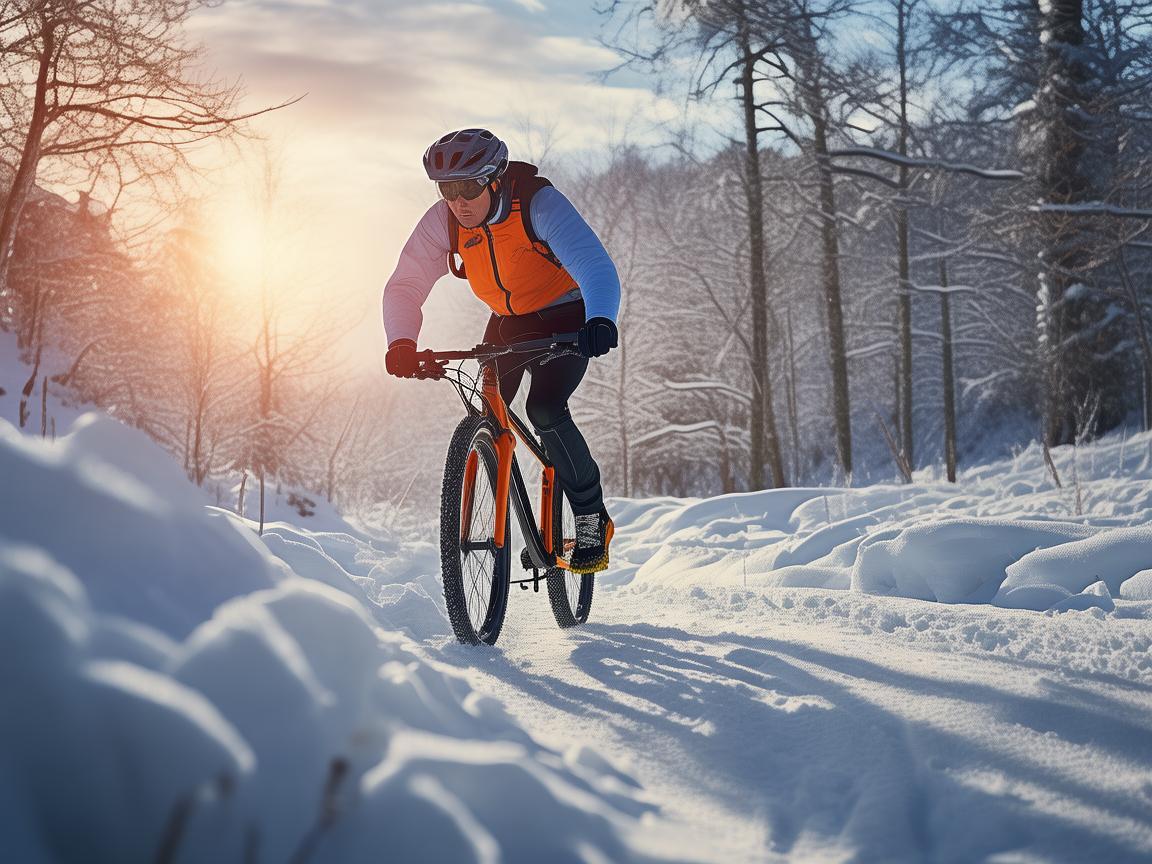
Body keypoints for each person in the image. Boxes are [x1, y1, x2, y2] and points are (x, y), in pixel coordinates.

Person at [382, 128, 620, 573]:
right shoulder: (445, 221)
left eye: (468, 187)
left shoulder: (536, 205)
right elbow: (406, 283)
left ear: (494, 180)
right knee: (487, 410)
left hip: (568, 315)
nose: (458, 200)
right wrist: (401, 342)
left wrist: (601, 320)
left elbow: (593, 263)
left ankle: (590, 518)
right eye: (447, 189)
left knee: (545, 409)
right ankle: (503, 502)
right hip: (509, 323)